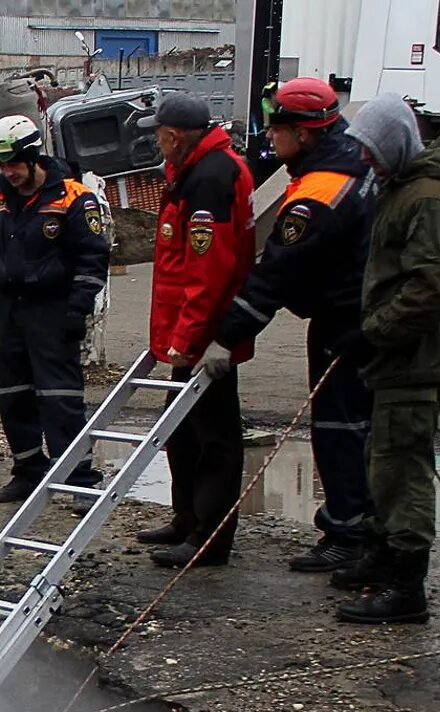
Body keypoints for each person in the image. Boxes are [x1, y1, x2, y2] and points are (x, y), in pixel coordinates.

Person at [209, 78, 377, 574]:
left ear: (303, 134)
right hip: (361, 315)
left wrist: (227, 335)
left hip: (344, 322)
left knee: (339, 427)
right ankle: (362, 524)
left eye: (276, 130)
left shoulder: (318, 194)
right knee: (359, 427)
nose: (269, 140)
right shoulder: (351, 158)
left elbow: (277, 273)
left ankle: (349, 533)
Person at [333, 96, 440, 624]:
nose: (365, 160)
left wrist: (374, 331)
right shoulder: (401, 187)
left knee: (403, 467)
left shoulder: (431, 198)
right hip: (395, 352)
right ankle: (383, 556)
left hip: (415, 355)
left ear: (394, 143)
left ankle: (406, 587)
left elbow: (435, 283)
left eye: (371, 150)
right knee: (382, 457)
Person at [0, 115, 111, 505]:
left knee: (60, 397)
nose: (6, 172)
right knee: (13, 396)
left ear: (32, 156)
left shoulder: (74, 198)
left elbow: (92, 260)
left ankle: (79, 480)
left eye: (12, 163)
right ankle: (28, 472)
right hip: (10, 311)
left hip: (53, 308)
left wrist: (76, 310)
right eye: (0, 164)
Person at [140, 94, 256, 569]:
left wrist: (189, 340)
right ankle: (186, 518)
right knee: (182, 433)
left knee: (214, 440)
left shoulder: (210, 179)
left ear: (173, 135)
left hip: (204, 338)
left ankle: (209, 538)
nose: (154, 139)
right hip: (188, 335)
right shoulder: (196, 172)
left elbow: (209, 271)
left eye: (157, 132)